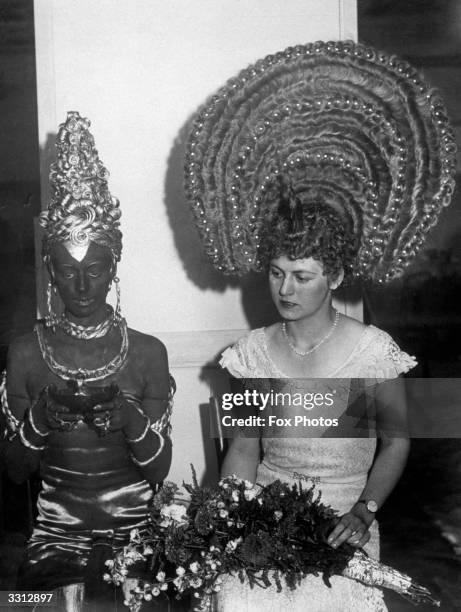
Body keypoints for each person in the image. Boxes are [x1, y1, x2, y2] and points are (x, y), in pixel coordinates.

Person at [183, 41, 456, 611]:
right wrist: (233, 517)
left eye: (302, 276)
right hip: (267, 521)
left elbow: (397, 440)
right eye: (277, 273)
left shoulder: (374, 352)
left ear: (333, 278)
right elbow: (243, 448)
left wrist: (365, 510)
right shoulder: (253, 354)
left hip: (345, 525)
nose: (284, 290)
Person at [1, 112, 174, 611]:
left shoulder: (147, 352)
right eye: (68, 270)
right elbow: (15, 472)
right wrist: (37, 421)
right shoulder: (26, 351)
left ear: (113, 266)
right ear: (51, 271)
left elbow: (160, 471)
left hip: (140, 538)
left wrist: (130, 419)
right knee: (20, 607)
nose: (81, 286)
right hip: (53, 540)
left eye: (94, 270)